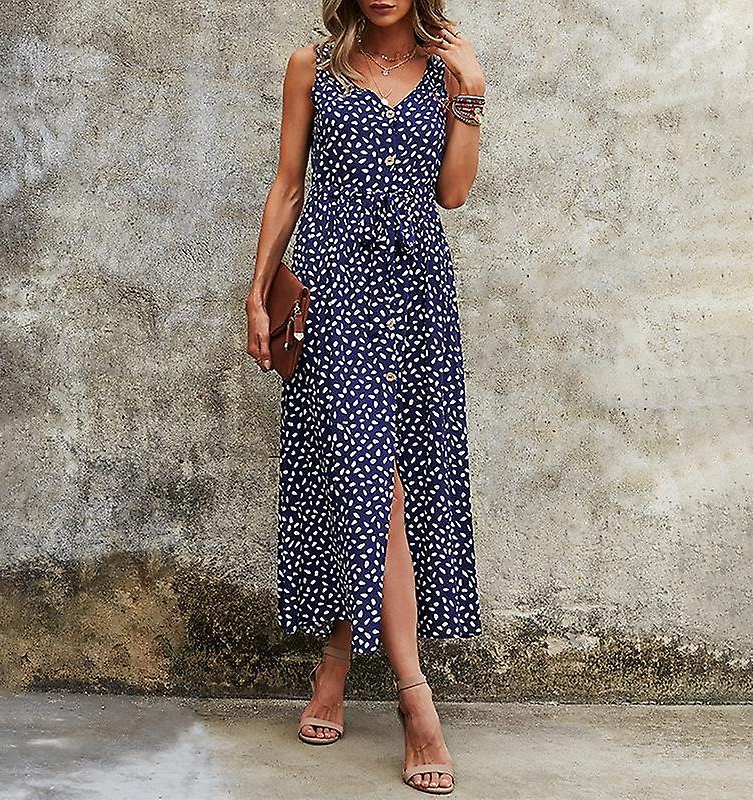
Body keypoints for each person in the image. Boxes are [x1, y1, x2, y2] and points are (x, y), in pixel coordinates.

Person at [245, 0, 486, 794]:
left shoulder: (447, 71)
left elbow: (452, 193)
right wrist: (257, 294)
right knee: (368, 478)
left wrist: (471, 93)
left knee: (388, 482)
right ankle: (417, 701)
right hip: (332, 288)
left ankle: (337, 659)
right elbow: (289, 184)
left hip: (416, 292)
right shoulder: (312, 66)